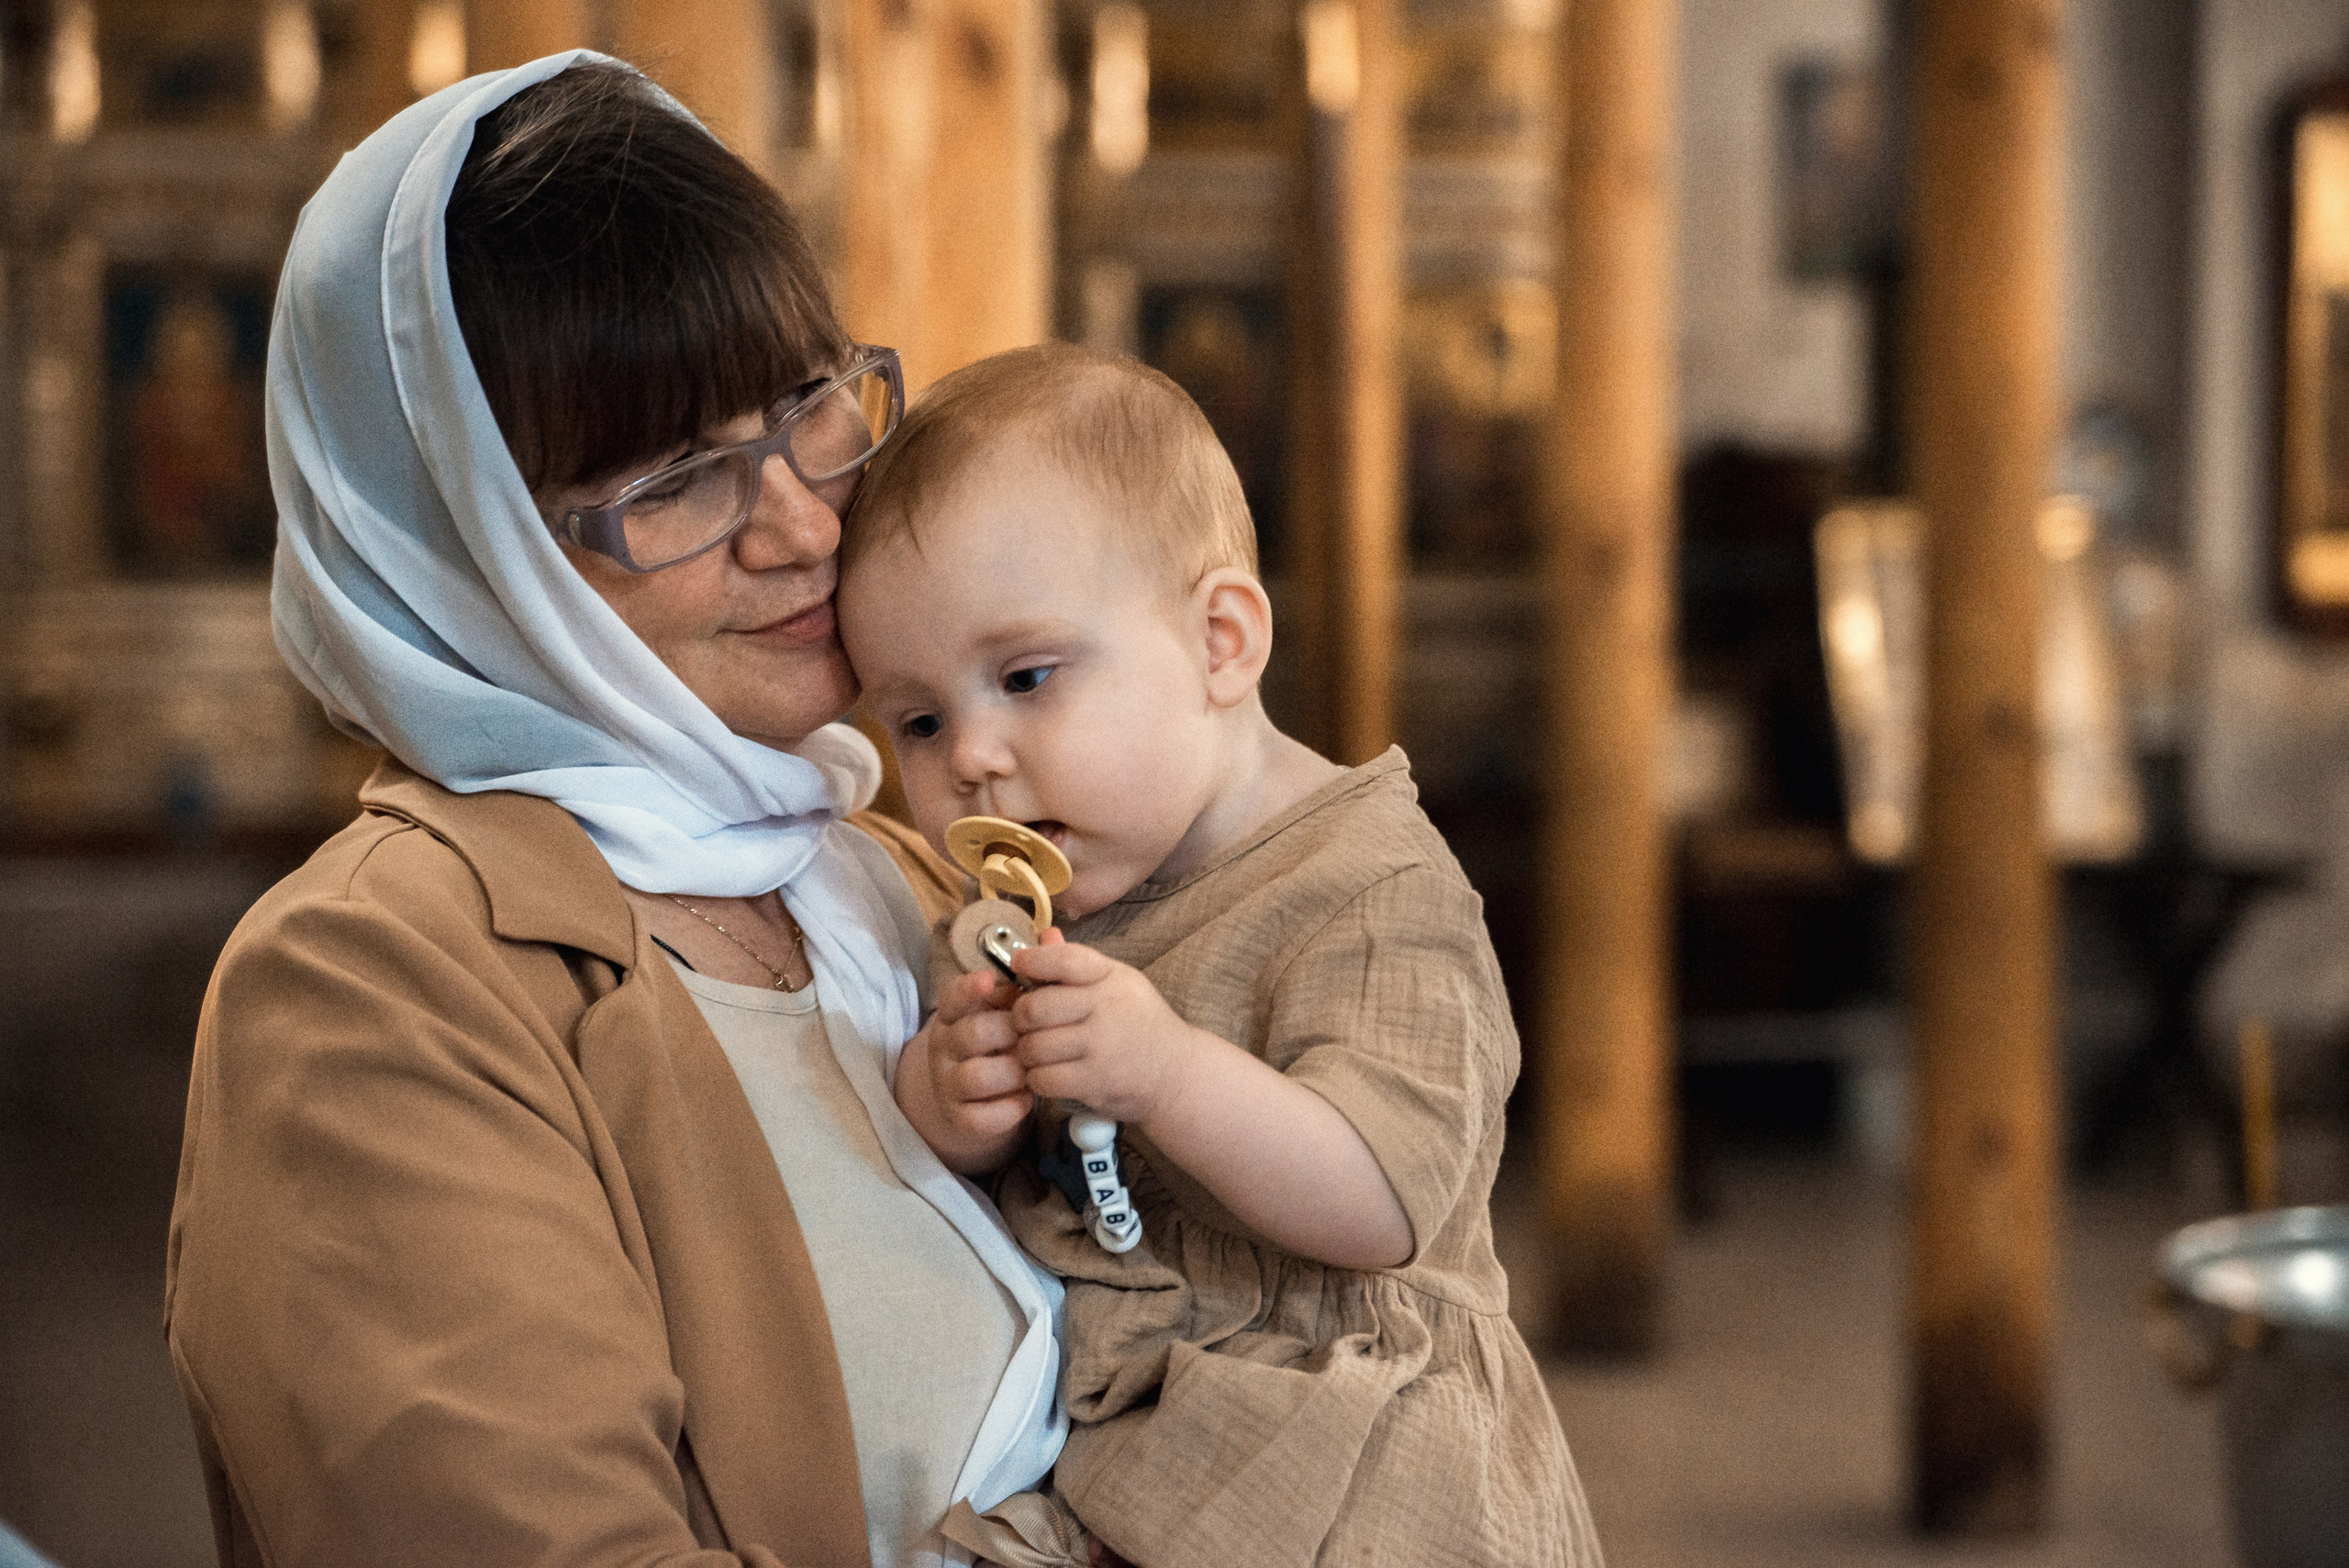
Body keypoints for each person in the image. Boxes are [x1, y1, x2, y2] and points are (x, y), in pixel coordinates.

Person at [166, 56, 1076, 1568]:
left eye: (807, 406)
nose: (802, 523)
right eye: (675, 480)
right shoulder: (363, 991)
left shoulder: (884, 873)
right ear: (464, 551)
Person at [836, 343, 1605, 1568]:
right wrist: (958, 1106)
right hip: (1138, 1439)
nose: (971, 757)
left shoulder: (1366, 888)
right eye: (919, 719)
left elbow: (1387, 1201)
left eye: (1026, 676)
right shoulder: (1035, 895)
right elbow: (1019, 1170)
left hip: (1362, 1459)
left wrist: (1168, 1073)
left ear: (1222, 642)